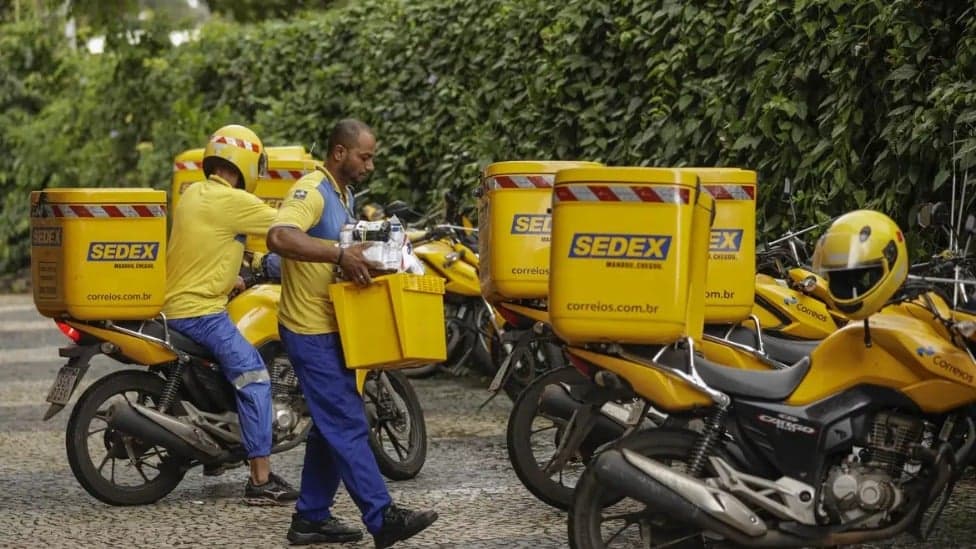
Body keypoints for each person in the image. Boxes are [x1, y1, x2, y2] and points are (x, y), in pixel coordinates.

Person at [267, 118, 438, 547]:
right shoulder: (313, 190)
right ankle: (382, 519)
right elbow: (280, 236)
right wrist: (340, 253)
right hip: (308, 329)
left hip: (334, 326)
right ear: (340, 152)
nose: (371, 164)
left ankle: (310, 518)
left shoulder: (345, 196)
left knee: (330, 425)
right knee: (346, 420)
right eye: (365, 156)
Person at [163, 124, 299, 505]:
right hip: (200, 313)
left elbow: (207, 247)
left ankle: (216, 455)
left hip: (176, 306)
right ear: (247, 162)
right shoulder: (232, 201)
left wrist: (233, 277)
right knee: (255, 378)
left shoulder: (193, 194)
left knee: (229, 371)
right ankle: (260, 481)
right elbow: (288, 228)